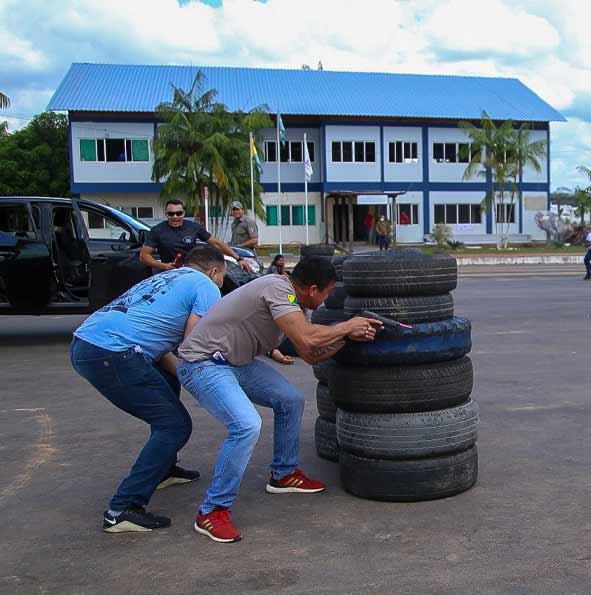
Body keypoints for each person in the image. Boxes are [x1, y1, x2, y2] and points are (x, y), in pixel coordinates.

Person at [177, 256, 382, 543]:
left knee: (291, 400)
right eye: (327, 293)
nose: (326, 300)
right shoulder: (277, 288)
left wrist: (347, 339)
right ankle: (212, 512)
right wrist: (347, 326)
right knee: (246, 426)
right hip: (203, 364)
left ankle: (283, 474)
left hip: (237, 363)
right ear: (312, 289)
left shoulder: (294, 305)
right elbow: (308, 338)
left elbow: (310, 354)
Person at [70, 246, 227, 533]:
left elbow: (160, 347)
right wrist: (214, 379)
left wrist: (184, 375)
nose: (221, 284)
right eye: (222, 278)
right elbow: (191, 345)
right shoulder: (206, 286)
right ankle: (123, 508)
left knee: (169, 383)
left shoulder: (164, 278)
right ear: (214, 271)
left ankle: (164, 468)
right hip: (114, 353)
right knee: (175, 425)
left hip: (87, 343)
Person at [140, 199, 253, 273]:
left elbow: (217, 243)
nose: (175, 217)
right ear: (166, 214)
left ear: (183, 213)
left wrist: (238, 258)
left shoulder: (194, 227)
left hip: (192, 272)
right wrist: (163, 266)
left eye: (179, 213)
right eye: (171, 214)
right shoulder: (157, 230)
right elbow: (144, 256)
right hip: (168, 273)